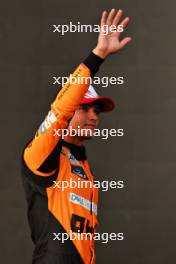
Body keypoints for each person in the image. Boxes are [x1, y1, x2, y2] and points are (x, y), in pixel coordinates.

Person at [21, 8, 131, 264]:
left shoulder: (81, 163)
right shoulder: (41, 154)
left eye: (96, 110)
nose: (94, 117)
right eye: (84, 108)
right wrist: (98, 55)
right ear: (70, 109)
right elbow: (60, 111)